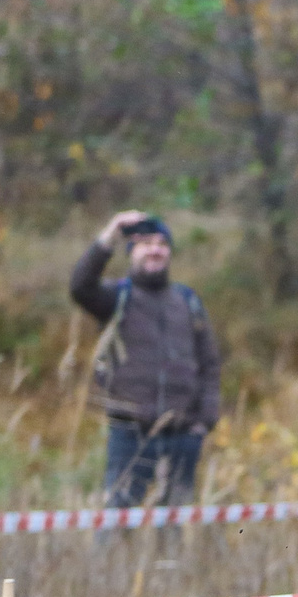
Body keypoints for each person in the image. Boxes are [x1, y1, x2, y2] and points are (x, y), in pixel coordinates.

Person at [67, 211, 222, 510]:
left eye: (162, 243)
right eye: (145, 243)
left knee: (174, 528)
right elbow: (80, 287)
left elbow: (209, 363)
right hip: (130, 432)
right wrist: (110, 235)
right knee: (117, 522)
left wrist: (203, 423)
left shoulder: (187, 301)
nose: (155, 249)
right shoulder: (117, 297)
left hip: (182, 434)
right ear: (131, 253)